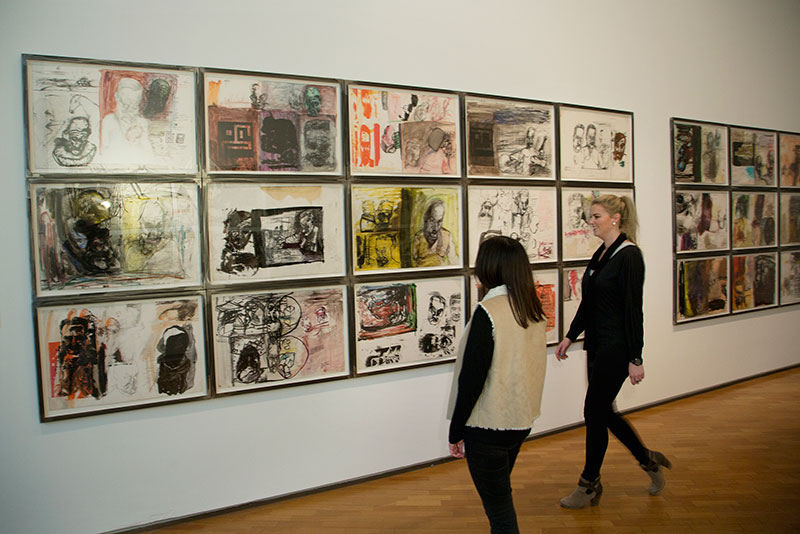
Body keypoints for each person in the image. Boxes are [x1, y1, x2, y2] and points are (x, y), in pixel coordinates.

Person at [554, 194, 671, 509]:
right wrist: (570, 335)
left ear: (615, 218)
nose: (591, 222)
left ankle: (589, 484)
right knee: (604, 412)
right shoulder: (602, 253)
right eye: (590, 217)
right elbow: (589, 302)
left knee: (593, 412)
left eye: (596, 216)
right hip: (597, 344)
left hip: (617, 348)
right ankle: (649, 461)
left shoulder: (630, 255)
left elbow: (634, 310)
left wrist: (636, 357)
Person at [447, 236, 548, 533]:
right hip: (519, 422)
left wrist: (456, 430)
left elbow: (472, 379)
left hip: (487, 426)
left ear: (489, 268)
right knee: (500, 495)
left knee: (500, 510)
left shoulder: (488, 313)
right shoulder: (532, 310)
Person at [412, 199, 457, 266]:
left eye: (439, 221)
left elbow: (454, 261)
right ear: (425, 219)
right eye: (432, 220)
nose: (435, 226)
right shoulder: (418, 237)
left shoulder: (447, 236)